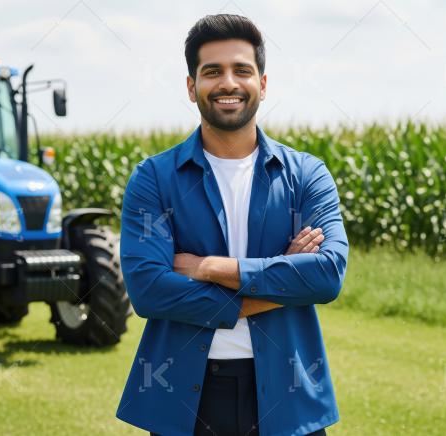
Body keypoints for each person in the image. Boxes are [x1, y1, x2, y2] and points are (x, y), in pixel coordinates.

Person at [115, 13, 349, 436]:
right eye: (212, 72)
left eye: (242, 70)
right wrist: (282, 282)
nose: (228, 83)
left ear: (262, 83)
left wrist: (208, 267)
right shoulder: (153, 178)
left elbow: (327, 275)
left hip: (289, 396)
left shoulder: (306, 175)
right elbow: (148, 291)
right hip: (185, 402)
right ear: (192, 87)